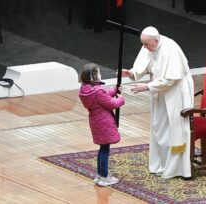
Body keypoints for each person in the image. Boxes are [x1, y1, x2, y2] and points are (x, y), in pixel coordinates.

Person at [121, 26, 194, 179]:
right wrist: (131, 73)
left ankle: (177, 169)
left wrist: (146, 86)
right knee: (159, 126)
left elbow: (170, 79)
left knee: (174, 127)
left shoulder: (171, 49)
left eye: (147, 44)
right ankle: (161, 164)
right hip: (160, 91)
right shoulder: (149, 46)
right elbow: (146, 65)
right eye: (143, 44)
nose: (145, 48)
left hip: (176, 92)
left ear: (156, 40)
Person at [79, 63, 125, 186]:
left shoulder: (85, 90)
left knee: (102, 148)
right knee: (105, 150)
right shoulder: (98, 91)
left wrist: (114, 90)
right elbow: (112, 104)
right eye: (98, 72)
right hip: (104, 122)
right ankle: (104, 177)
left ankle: (99, 174)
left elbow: (102, 98)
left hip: (95, 121)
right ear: (94, 76)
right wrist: (121, 99)